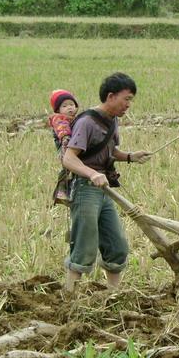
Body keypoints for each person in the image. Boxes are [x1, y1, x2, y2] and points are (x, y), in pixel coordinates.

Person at [61, 72, 151, 292]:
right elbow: (69, 158)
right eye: (126, 99)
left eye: (131, 100)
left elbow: (109, 151)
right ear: (111, 96)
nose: (128, 104)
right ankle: (70, 296)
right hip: (85, 189)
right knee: (84, 243)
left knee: (117, 243)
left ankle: (113, 294)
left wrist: (130, 156)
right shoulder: (87, 122)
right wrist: (91, 174)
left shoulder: (113, 121)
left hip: (104, 189)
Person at [48, 89, 80, 205]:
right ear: (58, 110)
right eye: (65, 106)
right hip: (64, 146)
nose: (69, 108)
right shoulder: (59, 119)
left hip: (72, 145)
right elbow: (63, 130)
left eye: (72, 104)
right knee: (67, 168)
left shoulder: (76, 119)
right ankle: (61, 192)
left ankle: (67, 191)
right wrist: (66, 138)